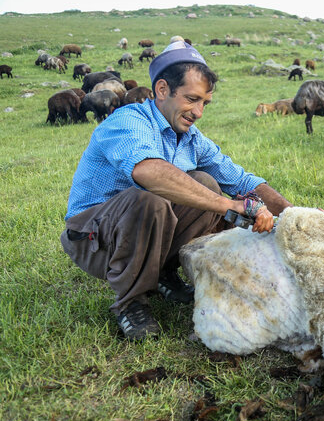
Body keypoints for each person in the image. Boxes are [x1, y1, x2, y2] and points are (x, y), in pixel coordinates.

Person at [60, 41, 292, 340]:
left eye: (205, 103)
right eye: (191, 99)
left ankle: (164, 273)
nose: (198, 112)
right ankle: (130, 302)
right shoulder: (128, 121)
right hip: (91, 238)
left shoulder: (191, 137)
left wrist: (293, 213)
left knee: (204, 182)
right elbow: (147, 172)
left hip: (137, 227)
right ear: (161, 90)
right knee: (150, 197)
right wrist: (228, 206)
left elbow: (242, 180)